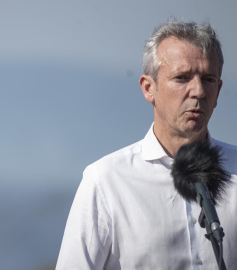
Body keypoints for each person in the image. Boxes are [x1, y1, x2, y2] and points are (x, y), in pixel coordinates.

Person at [56, 19, 237, 269]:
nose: (198, 91)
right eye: (182, 78)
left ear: (218, 90)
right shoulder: (106, 181)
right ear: (149, 88)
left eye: (208, 79)